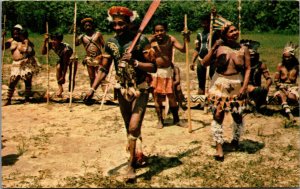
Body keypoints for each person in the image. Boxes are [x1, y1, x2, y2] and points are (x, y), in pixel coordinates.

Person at [83, 6, 157, 181]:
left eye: (121, 24)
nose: (117, 27)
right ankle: (137, 152)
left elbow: (153, 67)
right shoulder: (110, 43)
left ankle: (131, 165)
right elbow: (103, 68)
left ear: (129, 23)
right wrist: (92, 88)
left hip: (140, 88)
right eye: (114, 24)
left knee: (133, 126)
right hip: (121, 88)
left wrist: (136, 63)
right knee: (129, 127)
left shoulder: (142, 41)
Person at [202, 20, 251, 161]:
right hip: (219, 83)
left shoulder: (243, 49)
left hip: (237, 83)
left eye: (236, 30)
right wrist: (213, 48)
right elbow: (204, 63)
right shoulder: (219, 48)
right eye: (231, 31)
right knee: (218, 114)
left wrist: (244, 86)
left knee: (237, 114)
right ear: (224, 35)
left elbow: (248, 68)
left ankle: (235, 140)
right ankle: (219, 146)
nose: (235, 33)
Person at [148, 22, 189, 129]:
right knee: (157, 97)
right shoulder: (151, 41)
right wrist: (151, 39)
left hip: (167, 71)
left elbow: (184, 50)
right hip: (156, 72)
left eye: (161, 30)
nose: (159, 33)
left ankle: (176, 120)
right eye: (157, 31)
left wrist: (186, 39)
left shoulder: (171, 39)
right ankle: (160, 120)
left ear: (165, 30)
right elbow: (141, 47)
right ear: (154, 32)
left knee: (171, 96)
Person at [2, 25, 40, 106]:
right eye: (14, 33)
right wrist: (2, 37)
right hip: (16, 64)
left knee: (27, 80)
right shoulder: (10, 41)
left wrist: (27, 53)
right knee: (12, 81)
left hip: (25, 63)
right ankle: (8, 99)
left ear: (20, 33)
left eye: (17, 33)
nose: (15, 34)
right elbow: (2, 47)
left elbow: (32, 52)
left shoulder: (26, 41)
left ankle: (27, 99)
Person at [41, 32, 77, 97]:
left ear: (60, 41)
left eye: (55, 40)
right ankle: (60, 88)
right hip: (62, 57)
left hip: (72, 58)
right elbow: (43, 52)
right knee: (58, 68)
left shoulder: (65, 49)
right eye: (52, 39)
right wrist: (45, 41)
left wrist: (63, 76)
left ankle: (70, 93)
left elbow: (65, 64)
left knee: (71, 76)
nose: (53, 41)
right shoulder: (51, 44)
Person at [240, 39, 272, 110]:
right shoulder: (241, 64)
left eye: (253, 55)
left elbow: (268, 78)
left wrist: (267, 86)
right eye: (249, 55)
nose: (251, 57)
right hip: (242, 87)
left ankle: (258, 104)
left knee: (261, 90)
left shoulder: (261, 65)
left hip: (256, 88)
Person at [190, 14, 219, 95]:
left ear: (210, 23)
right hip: (201, 59)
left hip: (212, 60)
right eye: (203, 23)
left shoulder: (215, 33)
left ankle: (212, 101)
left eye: (206, 23)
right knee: (201, 81)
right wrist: (192, 61)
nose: (204, 25)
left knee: (213, 80)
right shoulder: (200, 34)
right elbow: (197, 48)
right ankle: (201, 101)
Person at [75, 17, 105, 87]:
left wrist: (102, 56)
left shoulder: (98, 34)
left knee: (101, 77)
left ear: (92, 26)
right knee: (92, 78)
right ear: (83, 27)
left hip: (98, 58)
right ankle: (92, 93)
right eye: (86, 26)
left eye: (89, 25)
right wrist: (75, 33)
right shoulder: (82, 37)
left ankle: (104, 93)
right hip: (89, 59)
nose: (88, 27)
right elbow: (76, 44)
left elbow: (104, 45)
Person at [274, 42, 299, 121]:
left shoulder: (297, 67)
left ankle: (286, 107)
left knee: (291, 97)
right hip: (281, 87)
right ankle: (288, 113)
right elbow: (276, 80)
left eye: (288, 57)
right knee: (281, 95)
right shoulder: (280, 66)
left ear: (292, 56)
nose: (287, 59)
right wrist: (282, 87)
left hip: (293, 87)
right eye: (285, 57)